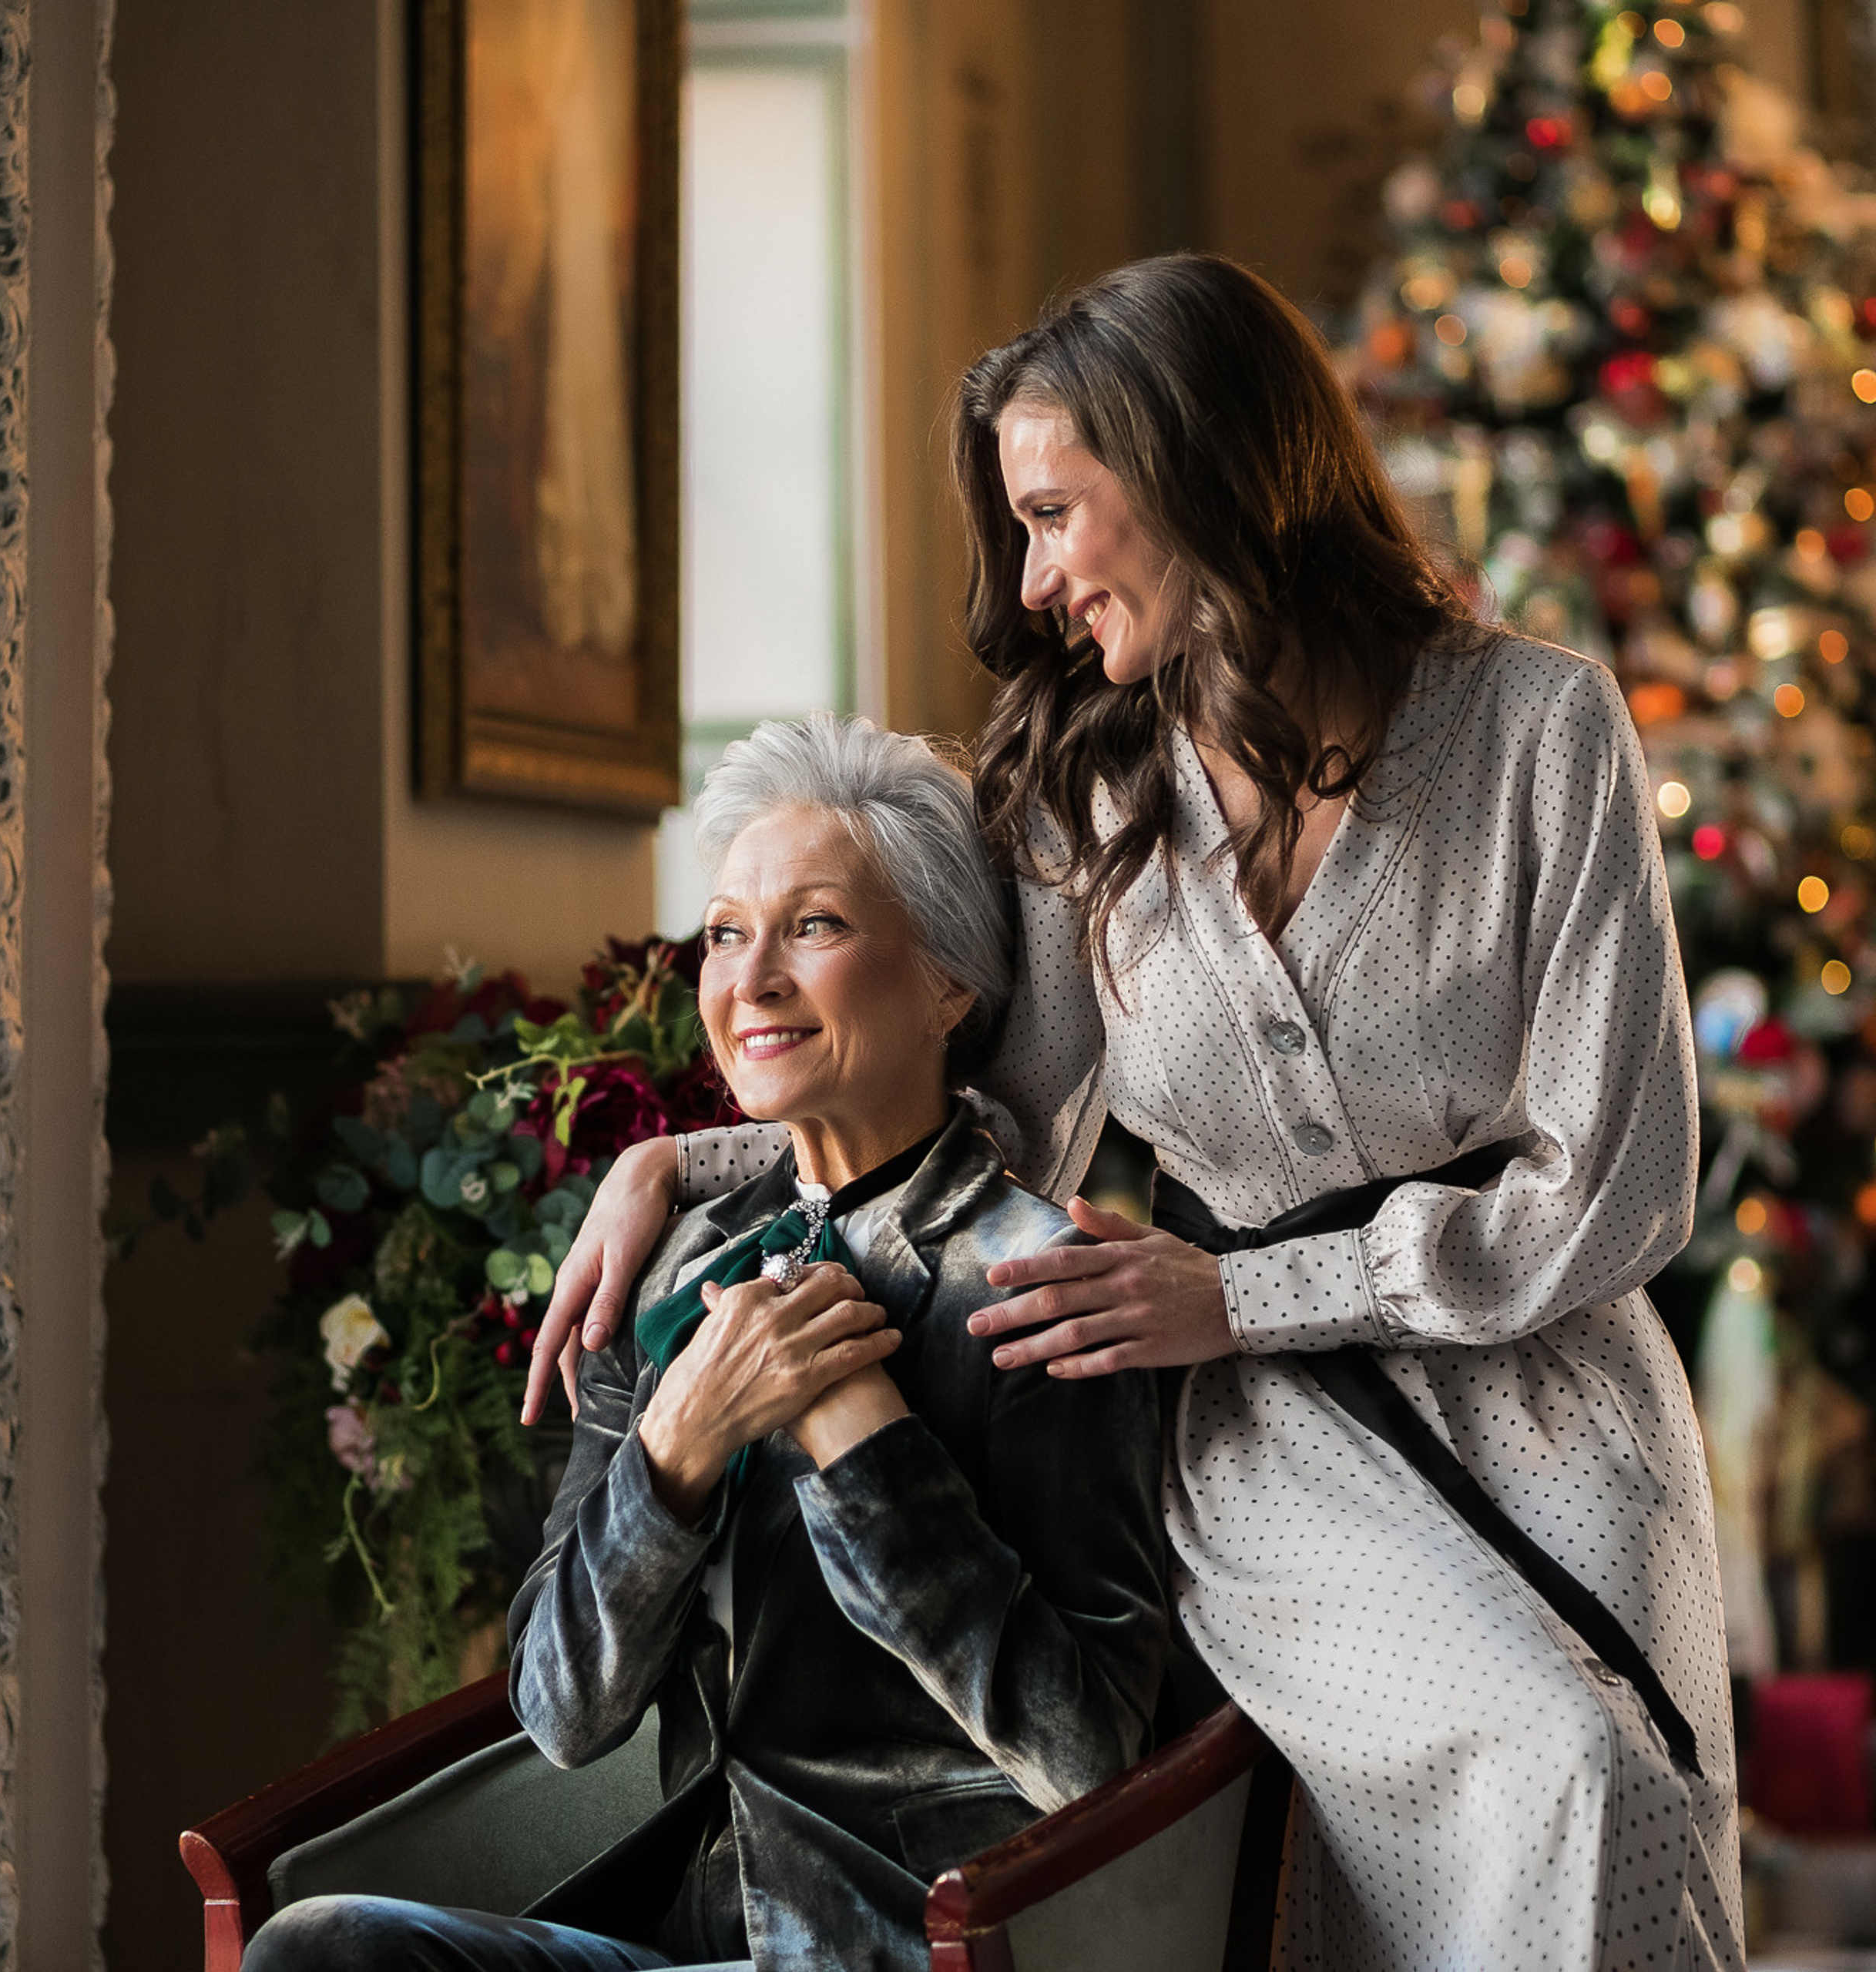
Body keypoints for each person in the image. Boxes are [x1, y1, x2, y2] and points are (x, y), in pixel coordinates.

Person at [523, 254, 1743, 1970]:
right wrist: (677, 1156)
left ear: (1189, 469)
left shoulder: (1538, 726)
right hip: (1259, 1427)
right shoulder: (1083, 792)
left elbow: (1615, 1186)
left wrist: (1238, 1289)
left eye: (1050, 516)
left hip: (1554, 1392)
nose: (1027, 585)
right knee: (1515, 1762)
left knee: (1618, 1779)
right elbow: (987, 1098)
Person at [245, 714, 1170, 1972]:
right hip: (687, 1938)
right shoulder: (673, 1266)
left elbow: (1092, 1755)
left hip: (913, 1950)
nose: (752, 980)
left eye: (817, 926)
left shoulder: (1041, 1283)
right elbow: (560, 1714)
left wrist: (863, 1438)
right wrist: (673, 1449)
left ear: (952, 981)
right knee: (320, 1947)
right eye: (728, 932)